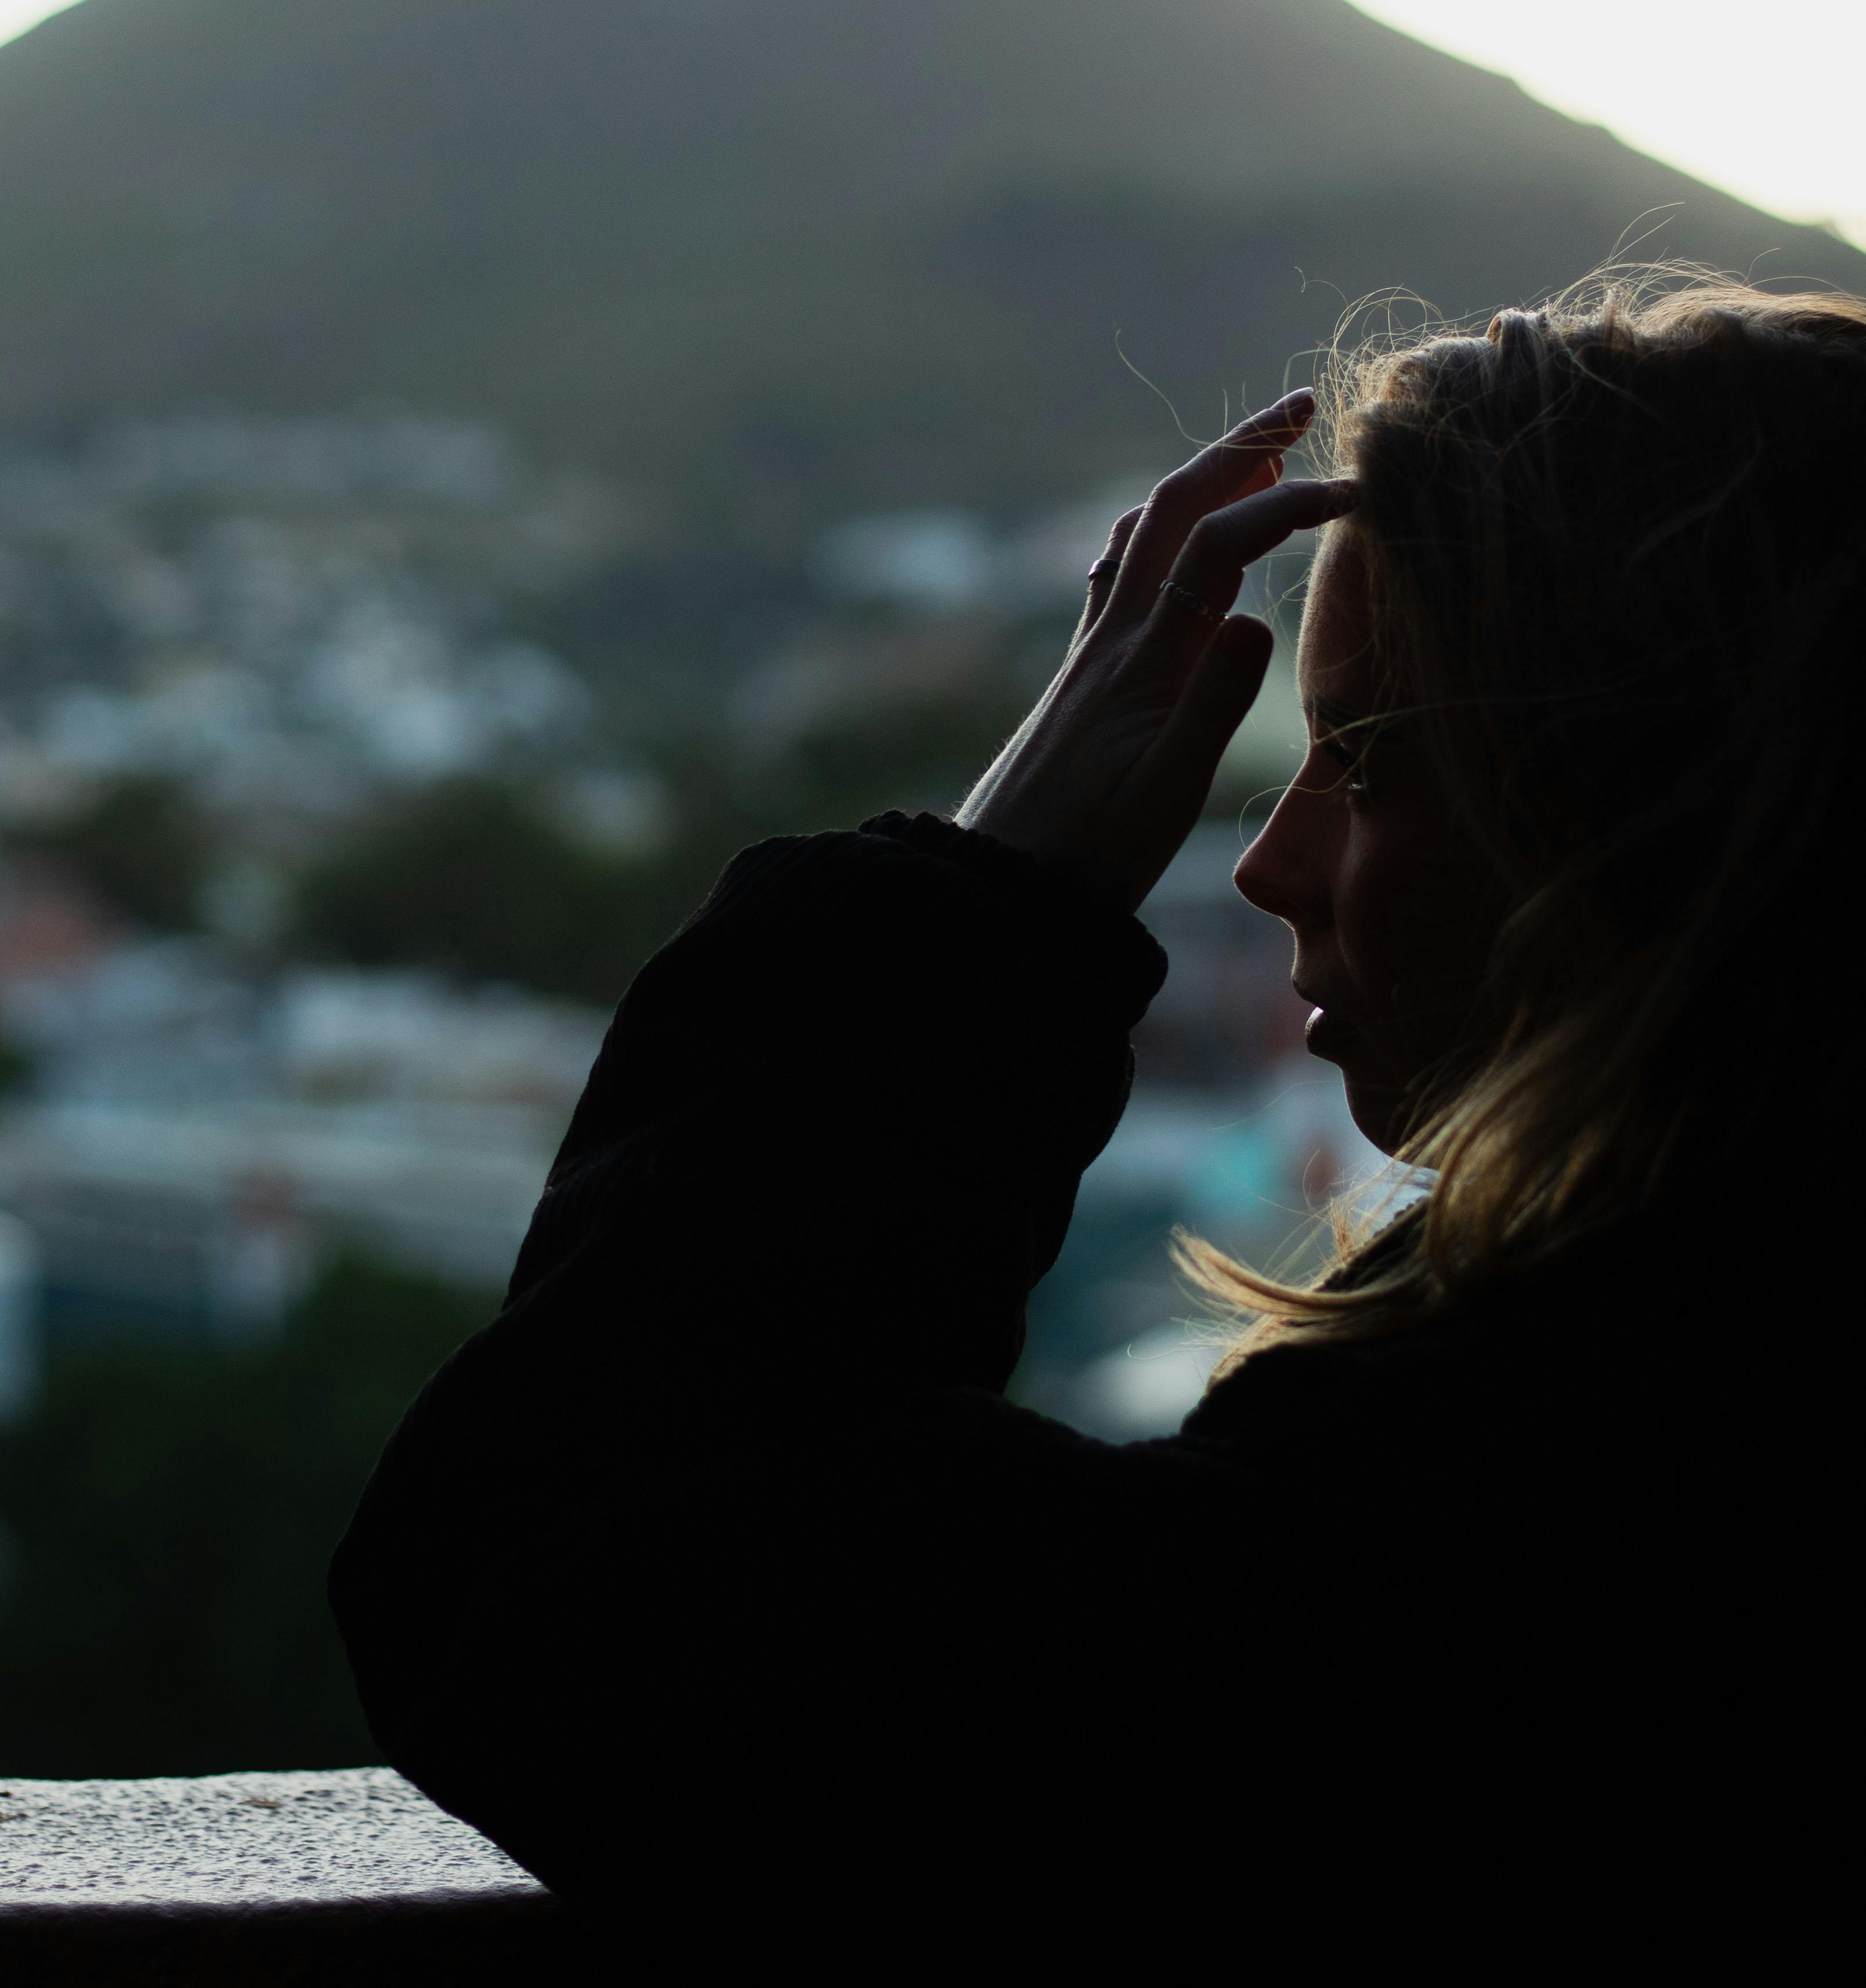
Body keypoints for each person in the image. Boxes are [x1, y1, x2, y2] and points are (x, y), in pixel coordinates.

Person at [330, 273, 1861, 1932]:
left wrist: (984, 897)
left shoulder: (1543, 1543)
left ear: (1654, 822)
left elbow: (583, 1603)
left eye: (1369, 755)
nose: (1271, 865)